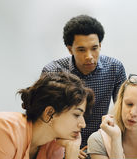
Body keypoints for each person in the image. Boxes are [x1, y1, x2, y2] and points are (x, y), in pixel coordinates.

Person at [42, 14, 126, 149]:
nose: (89, 57)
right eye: (81, 50)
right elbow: (45, 118)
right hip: (61, 144)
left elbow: (123, 111)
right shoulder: (53, 72)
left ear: (100, 45)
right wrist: (65, 147)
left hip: (101, 142)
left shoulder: (114, 68)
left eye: (94, 48)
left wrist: (103, 143)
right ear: (70, 49)